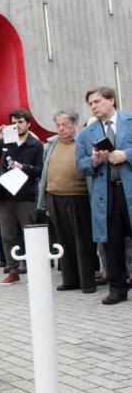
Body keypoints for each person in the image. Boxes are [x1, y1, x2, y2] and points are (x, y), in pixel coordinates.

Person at [76, 86, 132, 305]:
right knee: (112, 242)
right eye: (91, 104)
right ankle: (118, 288)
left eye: (97, 101)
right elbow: (79, 164)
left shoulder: (129, 120)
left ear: (111, 100)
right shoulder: (86, 133)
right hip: (106, 194)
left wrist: (126, 155)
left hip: (129, 188)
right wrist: (94, 161)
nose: (93, 106)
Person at [37, 110, 97, 293]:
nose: (61, 128)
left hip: (78, 197)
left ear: (74, 125)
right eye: (58, 125)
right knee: (63, 240)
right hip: (54, 197)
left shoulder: (83, 143)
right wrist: (44, 202)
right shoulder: (50, 145)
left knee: (83, 240)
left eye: (65, 124)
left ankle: (88, 282)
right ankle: (70, 280)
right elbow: (44, 174)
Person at [0, 109, 44, 284]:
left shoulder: (35, 145)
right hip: (5, 195)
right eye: (14, 123)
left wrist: (24, 167)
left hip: (25, 196)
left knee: (30, 233)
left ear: (28, 124)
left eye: (20, 122)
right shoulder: (6, 141)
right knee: (7, 235)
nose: (17, 126)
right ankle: (13, 270)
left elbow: (40, 170)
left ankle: (35, 267)